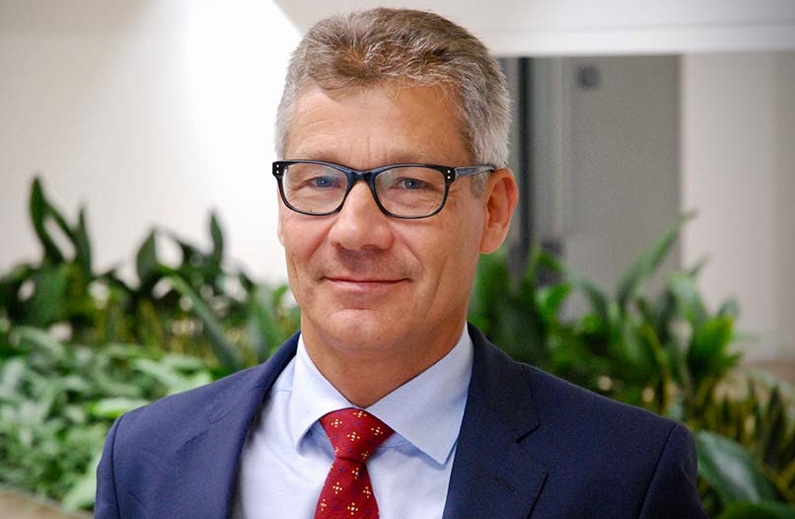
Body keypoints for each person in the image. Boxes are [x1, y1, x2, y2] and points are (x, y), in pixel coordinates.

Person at [95, 8, 708, 519]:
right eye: (320, 180)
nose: (356, 231)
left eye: (411, 184)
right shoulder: (147, 457)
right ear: (282, 208)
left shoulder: (625, 477)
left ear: (493, 211)